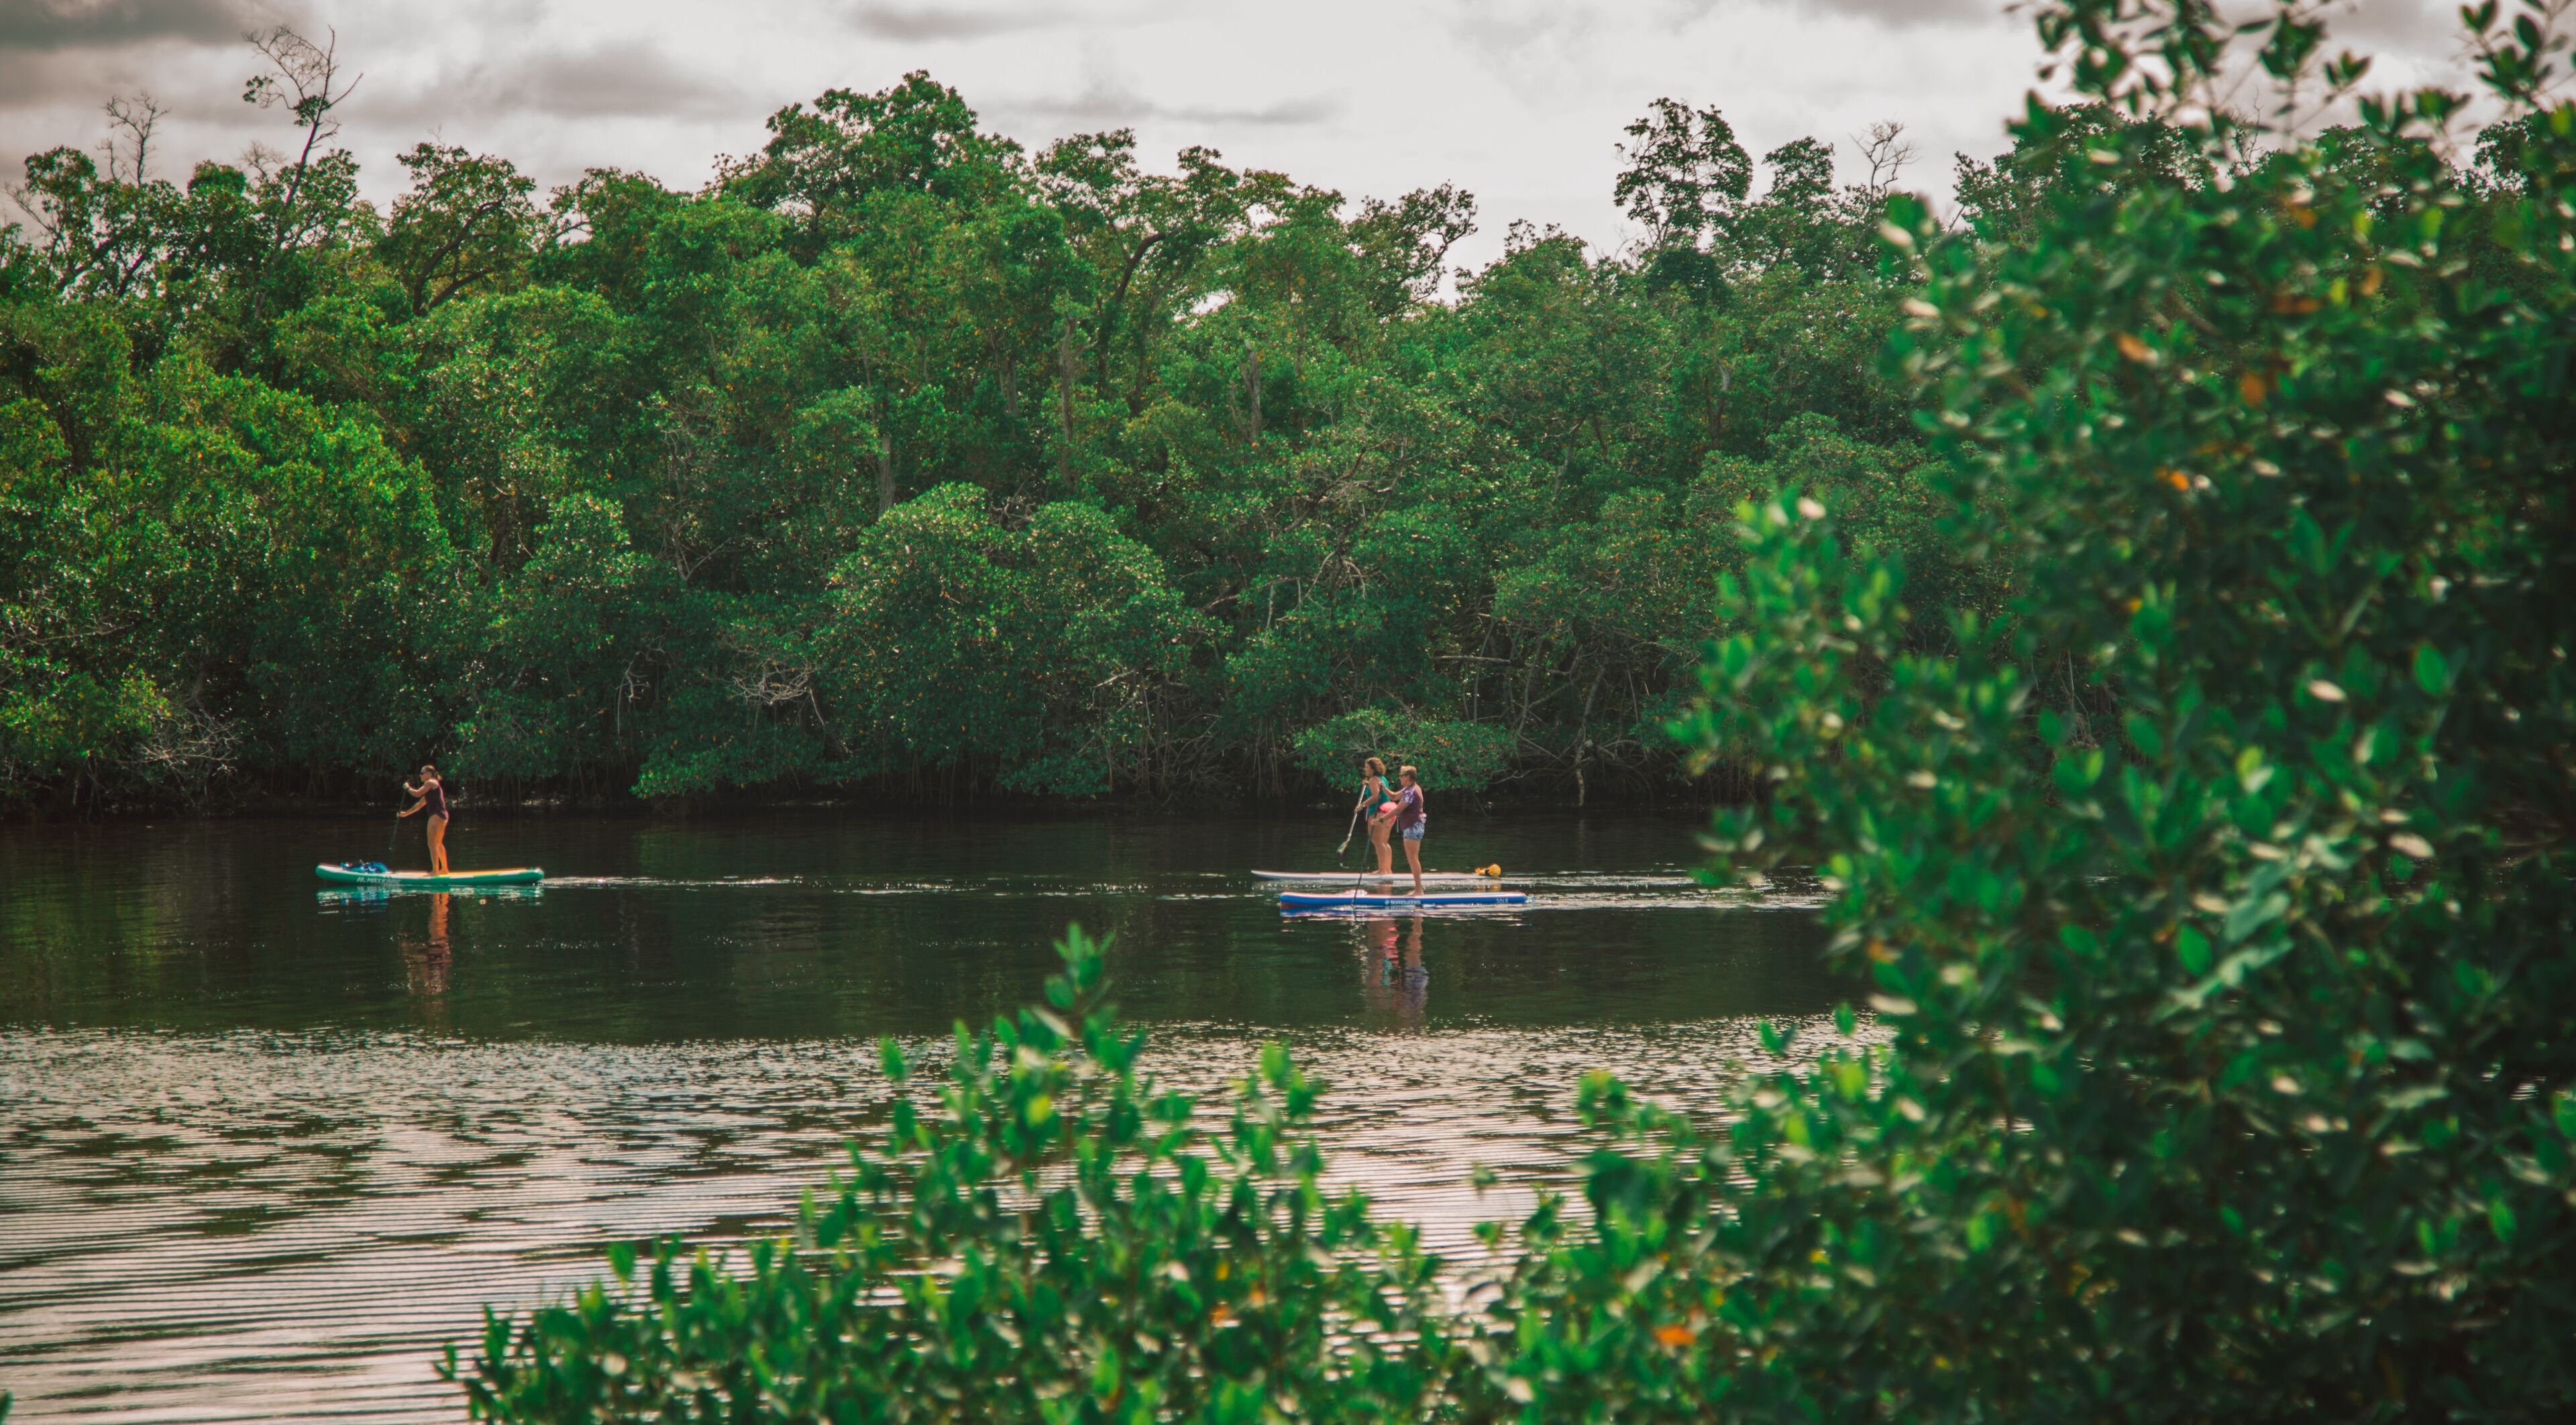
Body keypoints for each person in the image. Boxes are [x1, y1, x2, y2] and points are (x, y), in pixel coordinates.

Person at [397, 764, 451, 876]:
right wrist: (406, 814)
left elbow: (417, 794)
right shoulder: (431, 787)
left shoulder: (430, 782)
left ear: (429, 774)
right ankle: (444, 870)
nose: (420, 775)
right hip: (442, 816)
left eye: (422, 773)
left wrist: (407, 788)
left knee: (432, 843)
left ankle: (435, 871)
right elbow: (419, 804)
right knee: (438, 843)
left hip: (436, 816)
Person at [1353, 755, 1395, 878]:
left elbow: (1376, 797)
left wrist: (1362, 805)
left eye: (1367, 768)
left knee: (1377, 841)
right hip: (1389, 812)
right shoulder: (1382, 779)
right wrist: (1369, 784)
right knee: (1384, 842)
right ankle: (1388, 870)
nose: (1365, 770)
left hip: (1379, 812)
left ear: (1373, 769)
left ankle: (1382, 871)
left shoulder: (1374, 780)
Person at [1389, 764, 1428, 896]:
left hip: (1413, 827)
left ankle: (1419, 890)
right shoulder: (1409, 789)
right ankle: (1418, 889)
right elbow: (1394, 797)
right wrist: (1382, 788)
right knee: (1412, 858)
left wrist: (1382, 820)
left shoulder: (1412, 791)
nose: (1400, 778)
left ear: (1409, 777)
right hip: (1412, 826)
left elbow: (1398, 809)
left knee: (1413, 858)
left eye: (1402, 776)